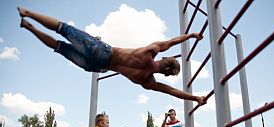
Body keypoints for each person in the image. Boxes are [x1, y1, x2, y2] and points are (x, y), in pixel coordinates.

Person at [17, 7, 206, 105]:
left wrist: (190, 35)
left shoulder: (150, 51)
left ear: (165, 59)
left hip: (102, 51)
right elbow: (172, 92)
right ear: (166, 74)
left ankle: (29, 14)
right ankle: (29, 27)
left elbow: (172, 41)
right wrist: (195, 97)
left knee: (63, 29)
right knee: (59, 47)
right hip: (96, 66)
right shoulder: (148, 81)